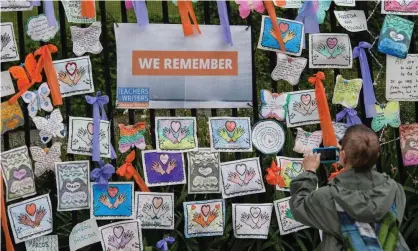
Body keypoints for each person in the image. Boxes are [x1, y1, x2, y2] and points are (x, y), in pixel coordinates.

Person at [289, 124, 409, 251]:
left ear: (343, 155)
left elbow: (299, 205)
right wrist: (356, 155)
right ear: (377, 155)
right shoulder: (395, 190)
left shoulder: (328, 197)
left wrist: (310, 171)